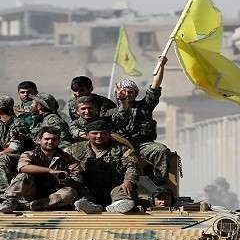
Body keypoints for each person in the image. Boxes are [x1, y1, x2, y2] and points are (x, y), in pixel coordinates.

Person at [111, 56, 171, 186]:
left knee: (161, 150)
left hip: (142, 145)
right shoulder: (109, 111)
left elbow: (155, 86)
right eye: (123, 92)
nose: (127, 94)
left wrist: (161, 65)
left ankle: (159, 184)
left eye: (130, 92)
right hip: (119, 147)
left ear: (136, 93)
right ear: (117, 93)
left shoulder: (144, 106)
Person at [0, 126, 82, 213]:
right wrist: (50, 171)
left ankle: (30, 206)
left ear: (58, 141)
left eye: (54, 139)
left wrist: (66, 179)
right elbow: (23, 167)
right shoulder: (30, 154)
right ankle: (10, 202)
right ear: (39, 140)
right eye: (47, 139)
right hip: (32, 191)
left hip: (53, 194)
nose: (50, 142)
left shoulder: (67, 158)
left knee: (70, 192)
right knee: (23, 176)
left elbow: (77, 177)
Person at [67, 119, 138, 213]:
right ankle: (90, 206)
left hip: (114, 186)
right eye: (94, 133)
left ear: (109, 134)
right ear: (87, 135)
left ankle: (119, 204)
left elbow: (132, 166)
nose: (99, 136)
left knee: (122, 191)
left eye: (103, 133)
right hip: (87, 187)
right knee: (81, 194)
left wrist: (128, 181)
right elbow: (60, 161)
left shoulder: (121, 149)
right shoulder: (74, 149)